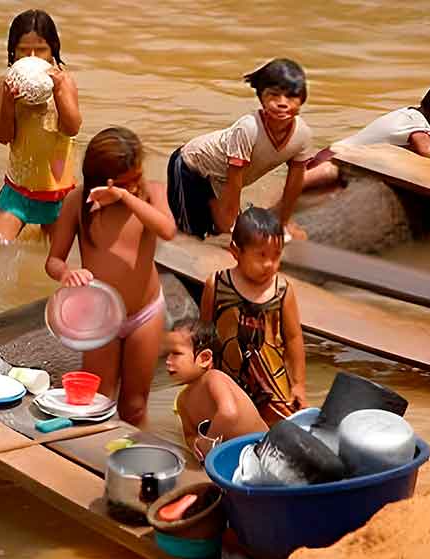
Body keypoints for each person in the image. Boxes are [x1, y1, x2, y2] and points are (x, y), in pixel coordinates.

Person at [45, 127, 177, 425]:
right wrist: (67, 273)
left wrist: (125, 196)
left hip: (145, 313)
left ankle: (132, 462)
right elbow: (53, 260)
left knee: (134, 406)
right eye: (123, 182)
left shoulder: (152, 193)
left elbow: (167, 230)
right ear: (99, 179)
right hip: (99, 316)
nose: (133, 186)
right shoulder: (77, 202)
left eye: (136, 178)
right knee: (98, 401)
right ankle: (95, 465)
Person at [167, 58, 312, 240]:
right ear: (261, 98)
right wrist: (233, 230)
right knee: (192, 232)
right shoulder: (248, 128)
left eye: (291, 96)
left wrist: (282, 224)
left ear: (302, 99)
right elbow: (234, 181)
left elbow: (294, 184)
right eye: (273, 95)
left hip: (220, 179)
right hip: (191, 166)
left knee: (219, 229)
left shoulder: (302, 134)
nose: (282, 103)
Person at [200, 206, 307, 426]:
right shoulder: (218, 284)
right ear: (235, 252)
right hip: (227, 382)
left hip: (272, 389)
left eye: (276, 256)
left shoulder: (282, 291)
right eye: (261, 255)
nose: (269, 264)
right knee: (225, 425)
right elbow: (205, 330)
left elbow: (294, 338)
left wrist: (298, 384)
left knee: (277, 433)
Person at [0, 9, 81, 243]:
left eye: (40, 50)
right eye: (23, 50)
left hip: (58, 193)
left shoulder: (65, 81)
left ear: (53, 50)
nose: (32, 56)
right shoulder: (5, 84)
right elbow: (3, 136)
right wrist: (9, 103)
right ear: (13, 51)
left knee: (52, 260)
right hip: (17, 191)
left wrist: (59, 91)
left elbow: (72, 128)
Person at [302, 78, 430, 190]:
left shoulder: (410, 113)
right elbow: (427, 151)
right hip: (332, 163)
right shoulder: (417, 127)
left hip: (329, 155)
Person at [165, 318, 268, 461]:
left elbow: (229, 413)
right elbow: (189, 435)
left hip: (264, 447)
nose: (168, 361)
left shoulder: (213, 378)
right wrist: (195, 443)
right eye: (167, 354)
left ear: (204, 358)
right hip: (235, 459)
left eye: (176, 353)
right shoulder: (183, 401)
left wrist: (208, 440)